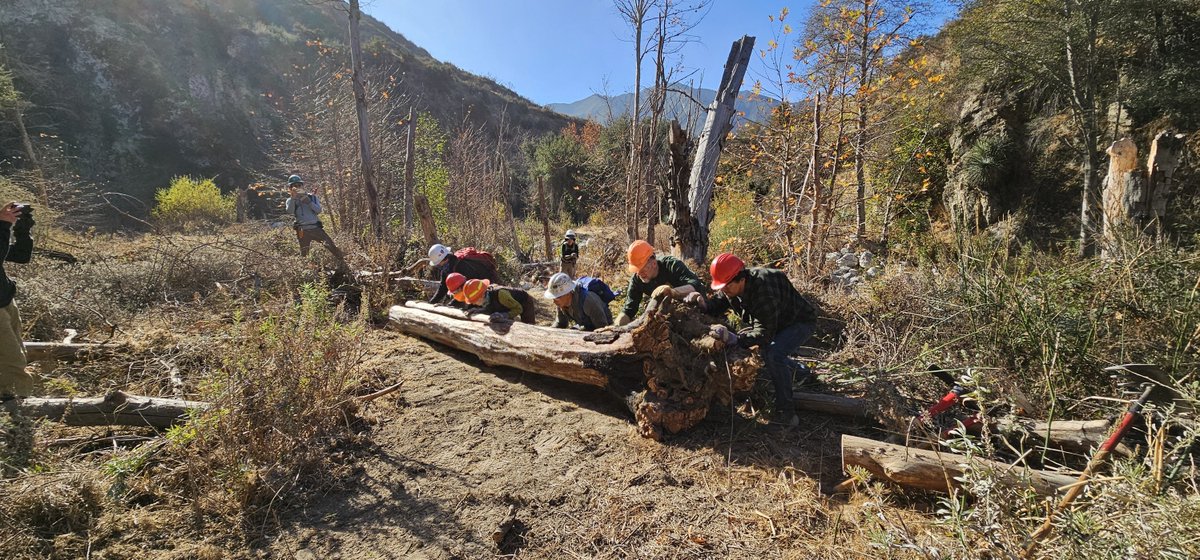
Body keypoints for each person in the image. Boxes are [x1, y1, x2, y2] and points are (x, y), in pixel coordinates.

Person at [695, 253, 818, 427]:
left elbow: (764, 335)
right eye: (721, 287)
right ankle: (804, 373)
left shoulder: (763, 288)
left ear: (741, 279)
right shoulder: (730, 288)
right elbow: (716, 305)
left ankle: (787, 413)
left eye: (727, 286)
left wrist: (734, 338)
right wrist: (700, 304)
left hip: (799, 322)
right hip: (776, 322)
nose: (724, 291)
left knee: (774, 354)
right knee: (769, 353)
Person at [615, 240, 704, 326]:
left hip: (692, 309)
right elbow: (628, 310)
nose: (639, 273)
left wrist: (672, 292)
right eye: (636, 270)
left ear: (653, 263)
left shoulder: (671, 265)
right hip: (664, 316)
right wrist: (616, 327)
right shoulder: (637, 279)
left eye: (642, 269)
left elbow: (695, 284)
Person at [0, 202, 34, 401]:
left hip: (6, 303)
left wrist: (23, 230)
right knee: (12, 364)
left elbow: (20, 256)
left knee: (17, 357)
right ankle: (18, 420)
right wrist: (3, 226)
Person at [284, 174, 346, 268]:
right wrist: (293, 198)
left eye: (299, 185)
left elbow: (318, 210)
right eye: (294, 186)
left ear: (302, 186)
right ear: (290, 188)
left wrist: (308, 201)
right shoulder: (290, 200)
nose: (297, 187)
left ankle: (344, 265)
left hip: (316, 228)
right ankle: (307, 271)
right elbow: (290, 211)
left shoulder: (312, 197)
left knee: (331, 246)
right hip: (302, 231)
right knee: (304, 253)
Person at [427, 244, 501, 305]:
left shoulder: (462, 266)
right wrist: (431, 303)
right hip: (473, 291)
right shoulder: (446, 269)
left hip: (485, 289)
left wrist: (450, 305)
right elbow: (443, 287)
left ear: (443, 259)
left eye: (438, 263)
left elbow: (468, 291)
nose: (438, 266)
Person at [545, 272, 612, 331]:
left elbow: (603, 328)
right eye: (553, 297)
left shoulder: (588, 301)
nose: (554, 301)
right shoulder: (560, 303)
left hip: (602, 326)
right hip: (586, 327)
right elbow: (560, 323)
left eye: (557, 297)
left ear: (567, 293)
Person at [460, 279, 537, 324]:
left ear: (481, 295)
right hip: (506, 304)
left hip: (524, 301)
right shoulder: (486, 298)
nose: (473, 303)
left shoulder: (501, 295)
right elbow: (490, 308)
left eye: (474, 300)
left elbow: (518, 309)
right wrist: (478, 310)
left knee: (528, 325)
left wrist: (504, 315)